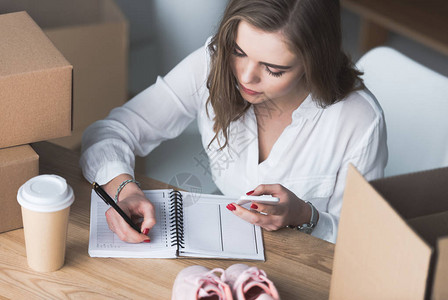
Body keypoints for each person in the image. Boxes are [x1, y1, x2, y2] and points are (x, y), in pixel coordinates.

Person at [80, 0, 388, 244]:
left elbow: (360, 244)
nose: (245, 76)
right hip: (226, 252)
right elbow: (111, 132)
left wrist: (305, 215)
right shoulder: (212, 64)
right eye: (238, 52)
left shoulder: (358, 121)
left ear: (313, 62)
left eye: (274, 69)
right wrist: (123, 188)